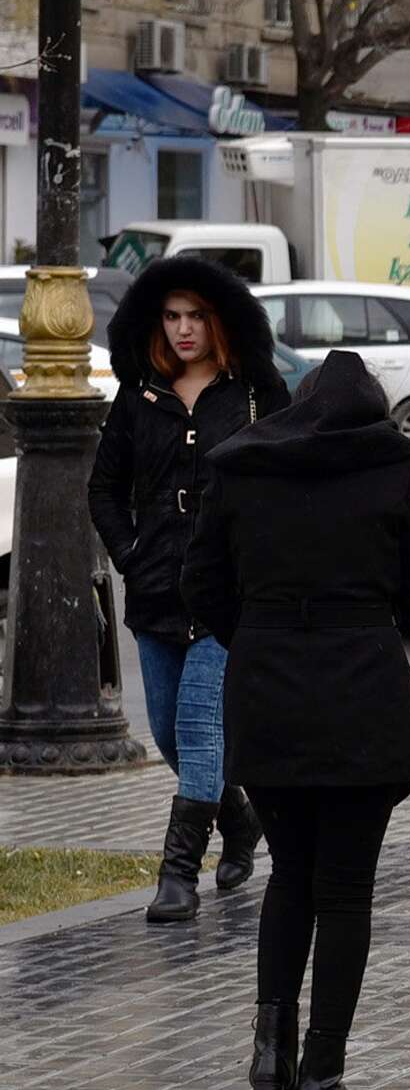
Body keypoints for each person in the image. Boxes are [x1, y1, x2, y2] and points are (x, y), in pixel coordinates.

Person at [182, 352, 410, 1090]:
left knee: (289, 877)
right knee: (344, 891)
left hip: (267, 693)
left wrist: (261, 634)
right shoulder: (393, 464)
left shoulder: (242, 465)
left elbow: (200, 584)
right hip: (362, 696)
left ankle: (271, 1051)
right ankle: (323, 1064)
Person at [88, 256, 291, 924]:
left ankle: (177, 877)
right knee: (173, 738)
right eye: (172, 317)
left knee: (201, 729)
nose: (183, 329)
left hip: (227, 597)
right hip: (154, 595)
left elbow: (290, 481)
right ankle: (240, 820)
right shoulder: (140, 395)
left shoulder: (254, 393)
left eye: (195, 316)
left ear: (218, 321)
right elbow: (104, 489)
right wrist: (129, 552)